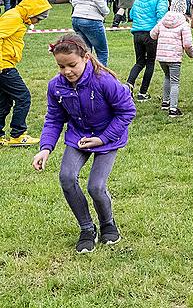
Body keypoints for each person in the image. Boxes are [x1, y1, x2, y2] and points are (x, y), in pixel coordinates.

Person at [34, 34, 136, 253]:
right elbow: (53, 119)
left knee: (96, 187)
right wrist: (45, 148)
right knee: (67, 177)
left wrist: (103, 138)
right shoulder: (56, 86)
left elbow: (127, 111)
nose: (67, 71)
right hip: (79, 136)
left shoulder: (104, 80)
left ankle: (108, 224)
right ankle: (87, 229)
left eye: (72, 65)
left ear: (86, 58)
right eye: (61, 66)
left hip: (107, 137)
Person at [0, 0, 51, 146]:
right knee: (23, 97)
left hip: (6, 65)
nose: (38, 22)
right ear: (32, 11)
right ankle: (18, 134)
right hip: (4, 66)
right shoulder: (13, 18)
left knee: (4, 101)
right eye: (39, 18)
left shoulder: (18, 17)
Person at [128, 0, 172, 102]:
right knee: (150, 62)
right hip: (151, 34)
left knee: (139, 62)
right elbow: (162, 16)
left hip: (137, 33)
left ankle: (129, 85)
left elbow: (131, 15)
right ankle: (143, 92)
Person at [149, 0, 193, 117]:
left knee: (167, 77)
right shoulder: (184, 24)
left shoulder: (163, 20)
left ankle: (165, 101)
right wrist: (191, 54)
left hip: (162, 57)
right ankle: (173, 108)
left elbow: (152, 34)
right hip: (174, 58)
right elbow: (188, 44)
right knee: (175, 82)